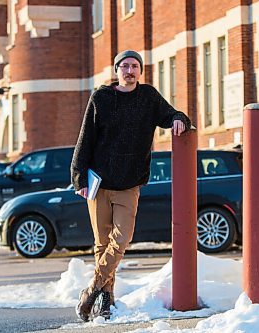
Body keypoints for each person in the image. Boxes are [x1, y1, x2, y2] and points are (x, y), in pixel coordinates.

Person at [70, 50, 192, 321]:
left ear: (140, 71)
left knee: (121, 238)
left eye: (134, 66)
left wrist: (179, 120)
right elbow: (85, 138)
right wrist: (78, 177)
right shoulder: (101, 97)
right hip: (98, 182)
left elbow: (172, 114)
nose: (129, 70)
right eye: (124, 65)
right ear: (116, 70)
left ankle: (91, 289)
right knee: (102, 243)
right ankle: (106, 298)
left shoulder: (148, 97)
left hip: (129, 183)